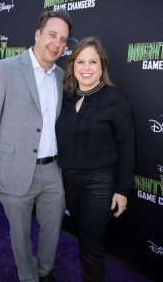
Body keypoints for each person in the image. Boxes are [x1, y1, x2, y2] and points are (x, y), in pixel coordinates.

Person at [0, 9, 72, 282]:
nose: (57, 43)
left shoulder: (61, 76)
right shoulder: (6, 69)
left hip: (53, 171)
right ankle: (28, 276)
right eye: (52, 35)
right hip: (13, 169)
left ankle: (45, 271)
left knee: (52, 230)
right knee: (19, 234)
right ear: (38, 34)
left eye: (63, 39)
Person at [56, 37, 135, 282]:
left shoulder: (114, 99)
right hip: (68, 182)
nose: (86, 68)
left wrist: (122, 190)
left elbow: (126, 146)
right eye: (81, 61)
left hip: (99, 184)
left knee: (91, 243)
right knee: (83, 235)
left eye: (93, 62)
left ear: (102, 67)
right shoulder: (66, 96)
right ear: (73, 65)